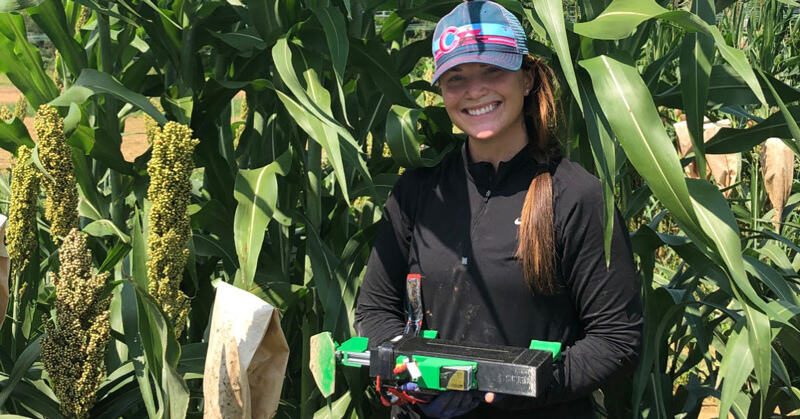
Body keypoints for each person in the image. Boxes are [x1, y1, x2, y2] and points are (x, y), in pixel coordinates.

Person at [354, 1, 643, 417]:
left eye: (492, 71)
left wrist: (523, 385)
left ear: (526, 79)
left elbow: (617, 340)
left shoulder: (577, 196)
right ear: (441, 91)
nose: (474, 91)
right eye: (456, 78)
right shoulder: (415, 194)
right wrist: (405, 362)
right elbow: (375, 309)